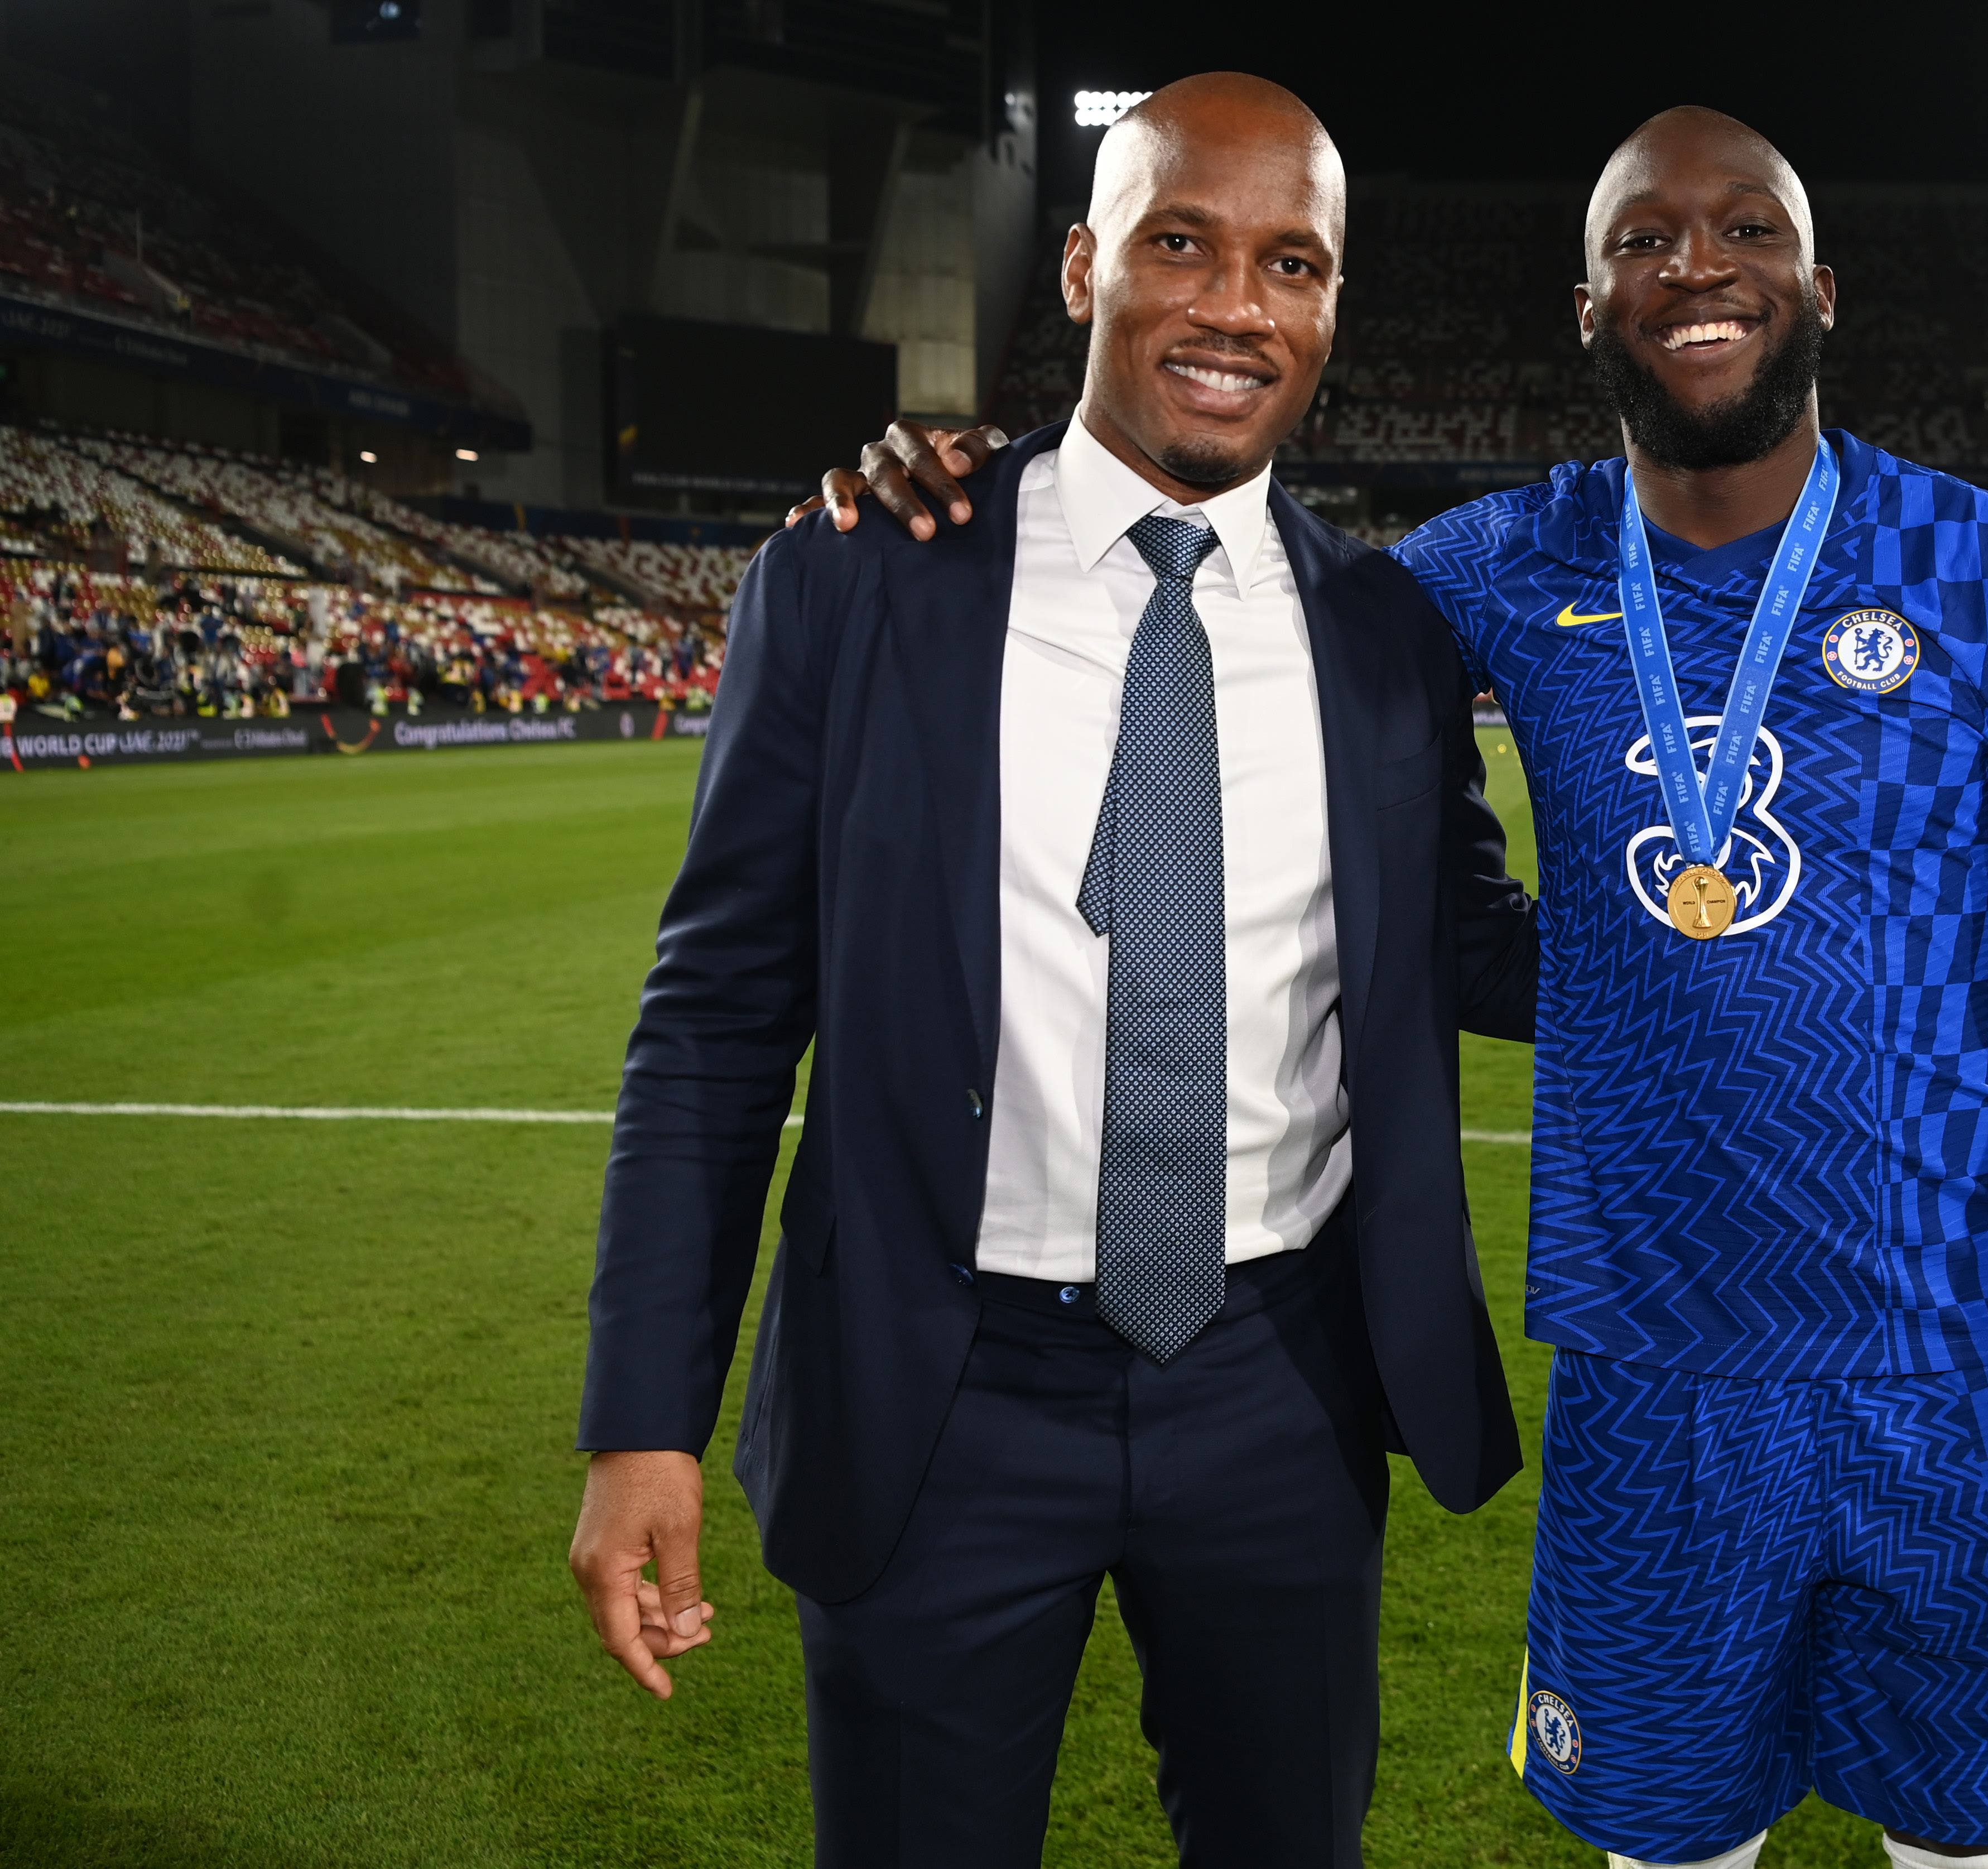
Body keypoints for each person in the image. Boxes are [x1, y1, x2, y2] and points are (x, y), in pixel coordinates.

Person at [809, 99, 1988, 1869]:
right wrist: (946, 483)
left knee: (1981, 1859)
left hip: (1961, 1379)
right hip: (1649, 1385)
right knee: (1669, 1856)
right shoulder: (1491, 571)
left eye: (1746, 232)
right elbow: (1209, 595)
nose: (1697, 266)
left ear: (1822, 287)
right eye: (1643, 242)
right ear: (1589, 309)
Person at [571, 73, 1539, 1869]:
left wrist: (1797, 937)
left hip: (1281, 1382)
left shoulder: (1391, 638)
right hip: (940, 1384)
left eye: (1293, 264)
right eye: (1184, 243)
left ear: (1332, 307)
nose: (1237, 304)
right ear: (1086, 266)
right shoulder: (865, 574)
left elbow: (1470, 944)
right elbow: (713, 1019)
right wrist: (645, 1421)